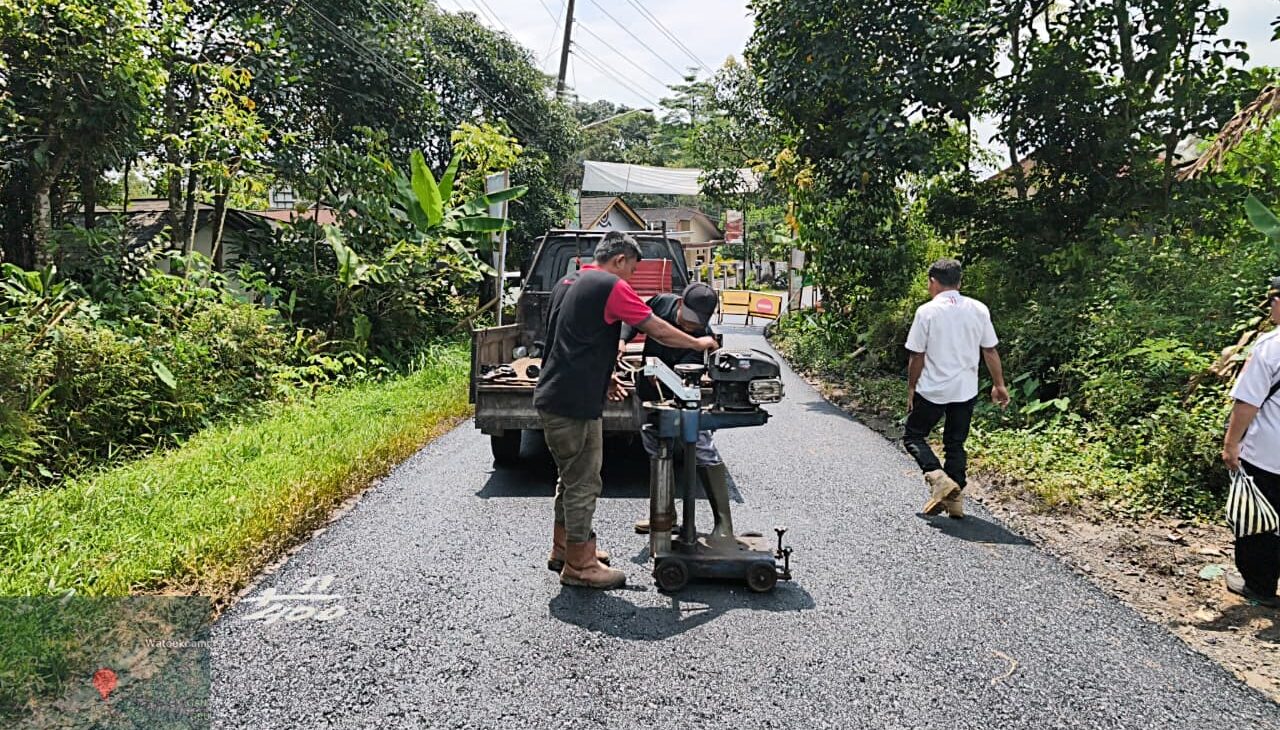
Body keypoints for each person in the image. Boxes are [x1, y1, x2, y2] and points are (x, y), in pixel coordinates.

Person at [535, 232, 718, 590]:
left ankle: (565, 548)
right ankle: (580, 566)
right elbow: (657, 330)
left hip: (556, 397)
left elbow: (568, 341)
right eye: (632, 270)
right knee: (585, 481)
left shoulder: (569, 281)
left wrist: (604, 379)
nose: (632, 278)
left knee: (570, 478)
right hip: (573, 405)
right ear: (619, 260)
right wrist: (698, 342)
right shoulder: (609, 285)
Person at [620, 282, 735, 545]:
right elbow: (635, 319)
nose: (691, 328)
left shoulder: (703, 336)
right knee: (658, 450)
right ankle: (664, 515)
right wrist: (622, 340)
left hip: (685, 400)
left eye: (697, 325)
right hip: (651, 397)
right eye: (688, 320)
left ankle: (724, 525)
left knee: (703, 448)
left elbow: (700, 372)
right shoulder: (661, 303)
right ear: (680, 303)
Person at [903, 258, 1010, 518]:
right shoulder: (978, 309)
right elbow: (990, 349)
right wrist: (999, 385)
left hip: (932, 390)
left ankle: (939, 479)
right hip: (965, 390)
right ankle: (955, 501)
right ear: (959, 282)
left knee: (913, 436)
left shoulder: (926, 311)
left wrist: (911, 388)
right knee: (955, 442)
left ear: (932, 282)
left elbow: (917, 356)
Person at [1220, 276, 1280, 608]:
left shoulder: (1271, 346)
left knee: (1257, 521)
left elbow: (1247, 402)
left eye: (1274, 299)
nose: (1271, 305)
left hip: (1269, 455)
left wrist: (1231, 445)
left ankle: (1259, 586)